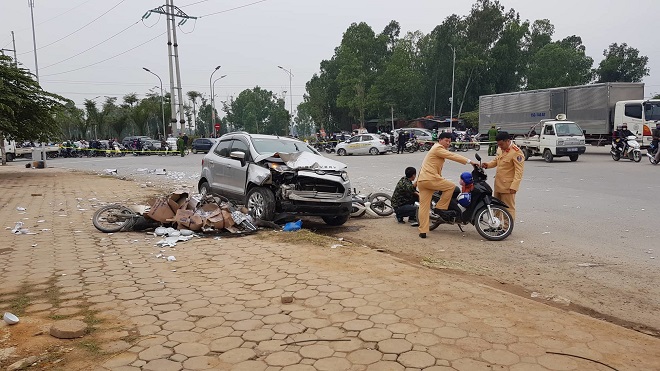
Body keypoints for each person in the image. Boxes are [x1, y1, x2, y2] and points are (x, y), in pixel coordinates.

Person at [417, 132, 474, 238]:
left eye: (449, 141)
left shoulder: (433, 149)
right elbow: (452, 155)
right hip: (430, 179)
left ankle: (423, 231)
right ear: (440, 140)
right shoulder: (438, 148)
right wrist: (470, 161)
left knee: (424, 207)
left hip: (423, 181)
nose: (448, 143)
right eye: (446, 141)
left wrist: (416, 182)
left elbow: (423, 167)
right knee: (451, 187)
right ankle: (440, 207)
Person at [481, 131, 525, 221]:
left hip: (508, 186)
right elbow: (496, 161)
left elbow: (519, 171)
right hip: (498, 183)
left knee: (508, 208)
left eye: (501, 144)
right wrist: (487, 165)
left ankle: (506, 228)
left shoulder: (516, 152)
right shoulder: (500, 149)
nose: (500, 147)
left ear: (508, 141)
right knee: (496, 206)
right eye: (498, 145)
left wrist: (514, 186)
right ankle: (495, 224)